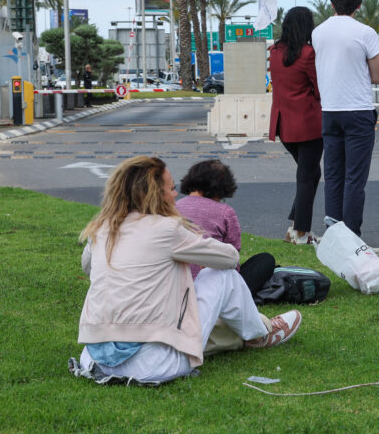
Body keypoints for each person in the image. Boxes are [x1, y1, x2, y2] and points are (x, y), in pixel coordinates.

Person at [73, 156, 301, 385]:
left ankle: (251, 331)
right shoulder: (166, 229)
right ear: (155, 194)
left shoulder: (103, 228)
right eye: (171, 188)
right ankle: (260, 334)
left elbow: (87, 266)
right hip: (153, 364)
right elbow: (230, 258)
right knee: (222, 275)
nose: (176, 195)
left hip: (93, 358)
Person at [311, 0, 379, 237]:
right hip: (358, 111)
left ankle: (333, 234)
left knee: (333, 176)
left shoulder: (318, 32)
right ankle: (351, 237)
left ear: (332, 3)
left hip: (330, 111)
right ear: (359, 5)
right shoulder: (365, 32)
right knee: (354, 179)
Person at [175, 159, 276, 294]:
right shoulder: (225, 212)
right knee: (265, 260)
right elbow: (232, 256)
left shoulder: (173, 208)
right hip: (214, 288)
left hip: (178, 286)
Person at [269, 6, 324, 244]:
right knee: (307, 176)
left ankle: (294, 226)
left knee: (309, 173)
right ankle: (301, 232)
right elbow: (319, 88)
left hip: (284, 124)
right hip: (309, 124)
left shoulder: (274, 51)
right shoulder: (308, 53)